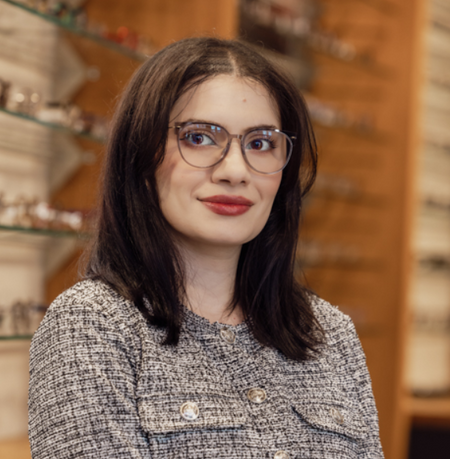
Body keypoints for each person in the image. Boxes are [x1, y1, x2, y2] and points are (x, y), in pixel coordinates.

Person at [28, 37, 384, 459]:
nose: (235, 171)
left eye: (260, 143)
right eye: (199, 137)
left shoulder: (328, 332)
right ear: (141, 156)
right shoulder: (92, 325)